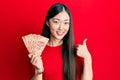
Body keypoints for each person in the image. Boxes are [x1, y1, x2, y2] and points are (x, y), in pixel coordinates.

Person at [29, 3, 93, 80]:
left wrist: (87, 57)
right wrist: (39, 71)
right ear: (47, 22)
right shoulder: (37, 49)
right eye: (56, 22)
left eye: (66, 23)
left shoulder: (77, 50)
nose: (61, 27)